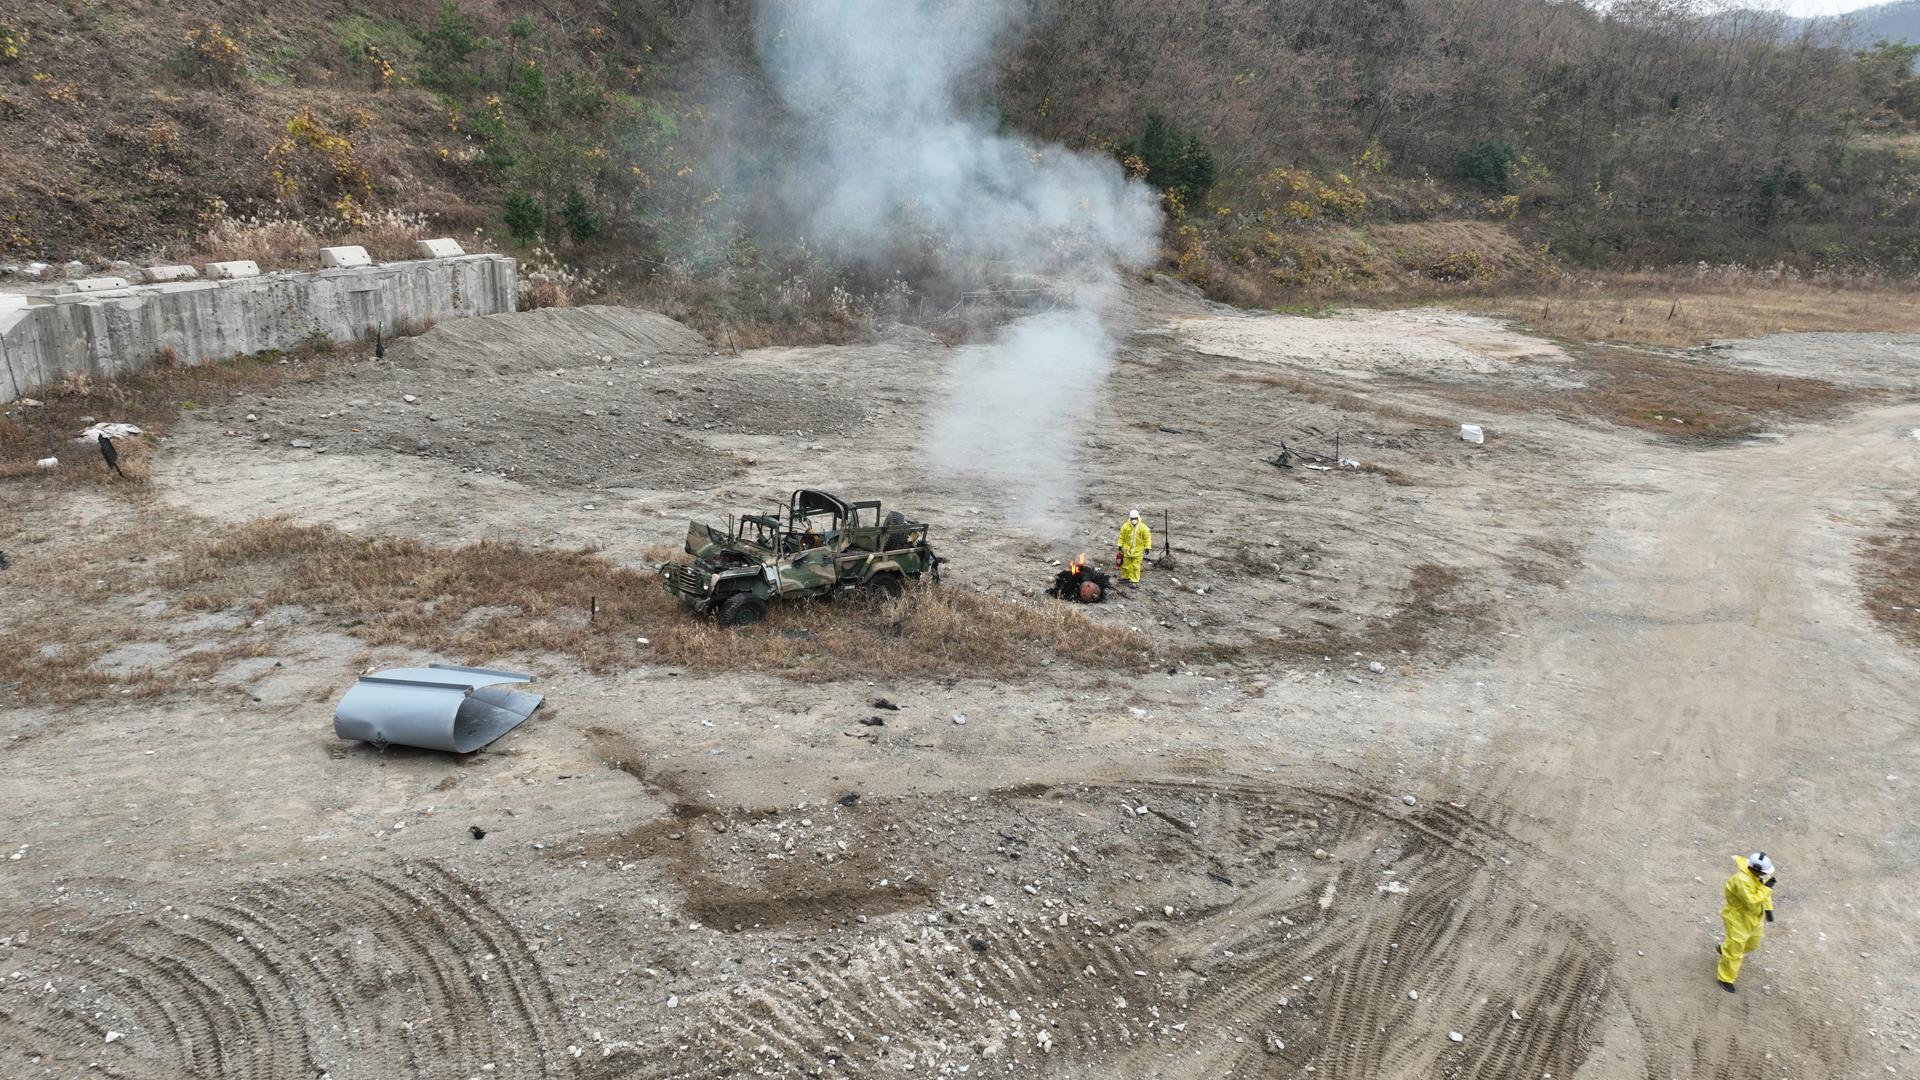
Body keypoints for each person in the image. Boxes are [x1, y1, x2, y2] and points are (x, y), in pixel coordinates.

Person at [1716, 851, 1776, 992]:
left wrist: (1768, 910)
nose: (1764, 875)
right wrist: (1767, 889)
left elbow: (1762, 896)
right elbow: (1750, 901)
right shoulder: (1741, 880)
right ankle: (1725, 978)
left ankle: (1725, 948)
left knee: (1753, 943)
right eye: (1763, 872)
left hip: (1753, 919)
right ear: (1756, 870)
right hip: (1738, 919)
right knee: (1735, 951)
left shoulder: (1756, 878)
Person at [1116, 509, 1152, 585]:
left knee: (1136, 567)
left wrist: (1147, 547)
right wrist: (1120, 545)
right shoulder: (1125, 526)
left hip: (1138, 551)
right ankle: (1126, 578)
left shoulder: (1143, 527)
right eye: (1132, 519)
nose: (1134, 520)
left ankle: (1134, 581)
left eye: (1135, 518)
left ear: (1138, 517)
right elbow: (1121, 537)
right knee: (1125, 565)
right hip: (1127, 550)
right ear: (1130, 518)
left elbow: (1147, 538)